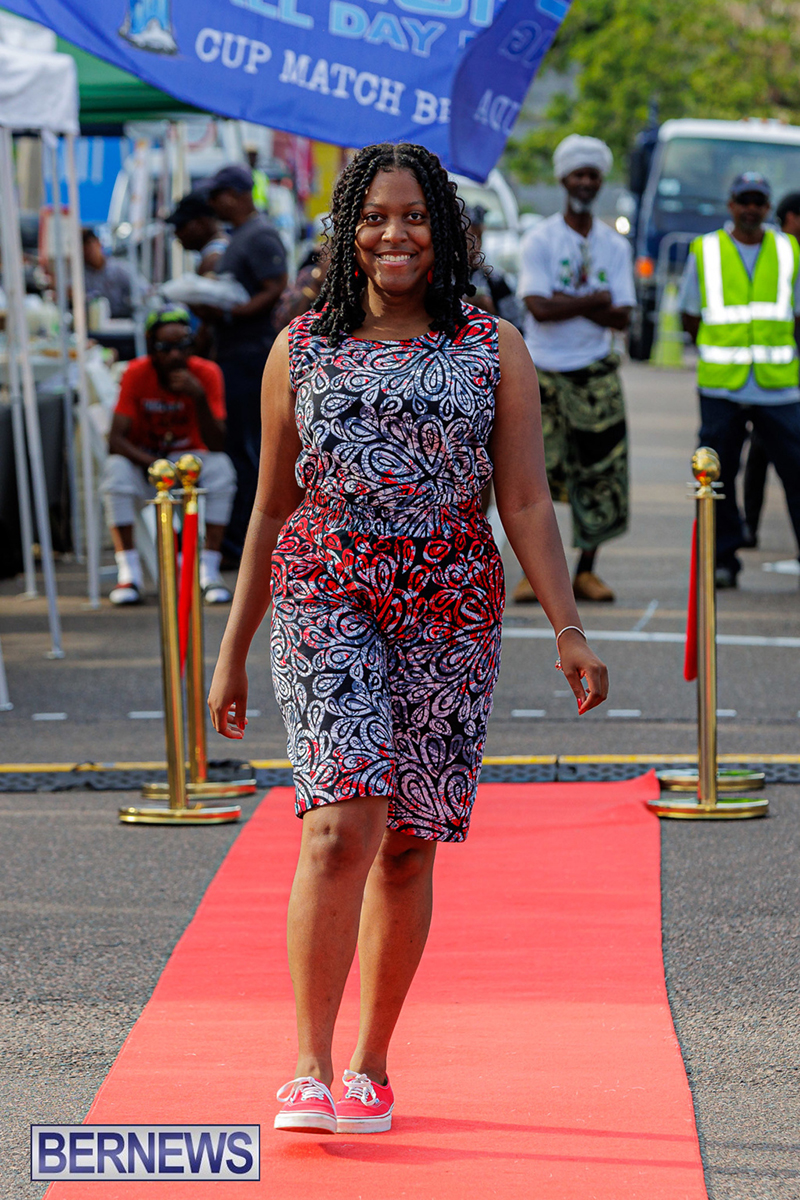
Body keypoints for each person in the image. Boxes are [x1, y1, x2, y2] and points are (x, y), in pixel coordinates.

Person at [207, 142, 608, 1136]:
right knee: (341, 820)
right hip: (325, 588)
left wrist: (566, 627)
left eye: (414, 216)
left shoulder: (493, 347)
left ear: (446, 232)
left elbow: (522, 497)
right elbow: (267, 510)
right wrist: (228, 650)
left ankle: (368, 1063)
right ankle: (304, 1062)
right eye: (375, 217)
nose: (394, 235)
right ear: (346, 232)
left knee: (407, 843)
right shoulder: (297, 348)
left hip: (449, 603)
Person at [516, 135, 635, 604]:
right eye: (577, 174)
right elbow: (538, 308)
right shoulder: (540, 238)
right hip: (542, 373)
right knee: (534, 477)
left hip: (595, 373)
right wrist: (595, 301)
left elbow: (623, 316)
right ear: (563, 179)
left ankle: (586, 570)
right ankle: (535, 576)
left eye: (592, 175)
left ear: (599, 182)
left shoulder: (614, 245)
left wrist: (569, 303)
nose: (585, 182)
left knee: (601, 472)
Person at [679, 172, 800, 587]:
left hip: (778, 385)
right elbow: (690, 315)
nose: (751, 208)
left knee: (797, 471)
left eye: (758, 201)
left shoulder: (788, 251)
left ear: (768, 209)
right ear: (730, 205)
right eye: (743, 200)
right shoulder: (707, 250)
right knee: (716, 474)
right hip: (722, 384)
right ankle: (722, 560)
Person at [100, 306, 236, 606]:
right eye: (165, 348)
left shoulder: (206, 373)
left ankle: (208, 571)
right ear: (151, 347)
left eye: (182, 346)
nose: (175, 355)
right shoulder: (137, 372)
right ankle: (129, 573)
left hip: (190, 461)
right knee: (115, 472)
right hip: (148, 462)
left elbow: (217, 444)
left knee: (223, 469)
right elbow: (116, 441)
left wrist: (198, 396)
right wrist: (155, 465)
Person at [205, 165, 288, 565]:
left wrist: (233, 311)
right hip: (233, 353)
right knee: (238, 446)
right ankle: (238, 538)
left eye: (218, 194)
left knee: (249, 450)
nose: (213, 204)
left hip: (250, 355)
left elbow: (275, 287)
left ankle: (245, 543)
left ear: (237, 194)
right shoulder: (239, 236)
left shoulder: (260, 234)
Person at [741, 190, 800, 547]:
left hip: (778, 376)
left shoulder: (784, 252)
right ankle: (748, 526)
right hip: (772, 378)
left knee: (767, 456)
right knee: (765, 455)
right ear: (791, 218)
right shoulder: (783, 251)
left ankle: (750, 527)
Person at [466, 204, 525, 331]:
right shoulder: (434, 279)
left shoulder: (494, 281)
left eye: (478, 237)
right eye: (468, 237)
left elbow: (517, 329)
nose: (473, 245)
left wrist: (490, 314)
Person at [166, 190, 229, 275]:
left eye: (181, 226)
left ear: (202, 222)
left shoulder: (213, 260)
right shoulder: (225, 247)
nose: (177, 233)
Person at [82, 229, 139, 319]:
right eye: (83, 248)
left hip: (124, 321)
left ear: (98, 243)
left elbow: (142, 290)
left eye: (89, 245)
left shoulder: (119, 269)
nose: (87, 251)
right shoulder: (81, 275)